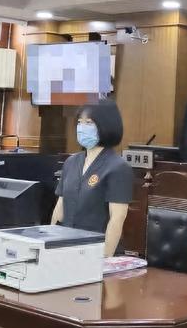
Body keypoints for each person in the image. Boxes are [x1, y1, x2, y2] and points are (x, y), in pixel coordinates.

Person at [51, 100, 133, 257]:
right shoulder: (71, 162)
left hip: (97, 251)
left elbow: (117, 219)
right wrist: (50, 246)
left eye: (89, 123)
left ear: (105, 125)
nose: (82, 127)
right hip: (67, 248)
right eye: (79, 122)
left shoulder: (118, 167)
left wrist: (104, 258)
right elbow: (60, 208)